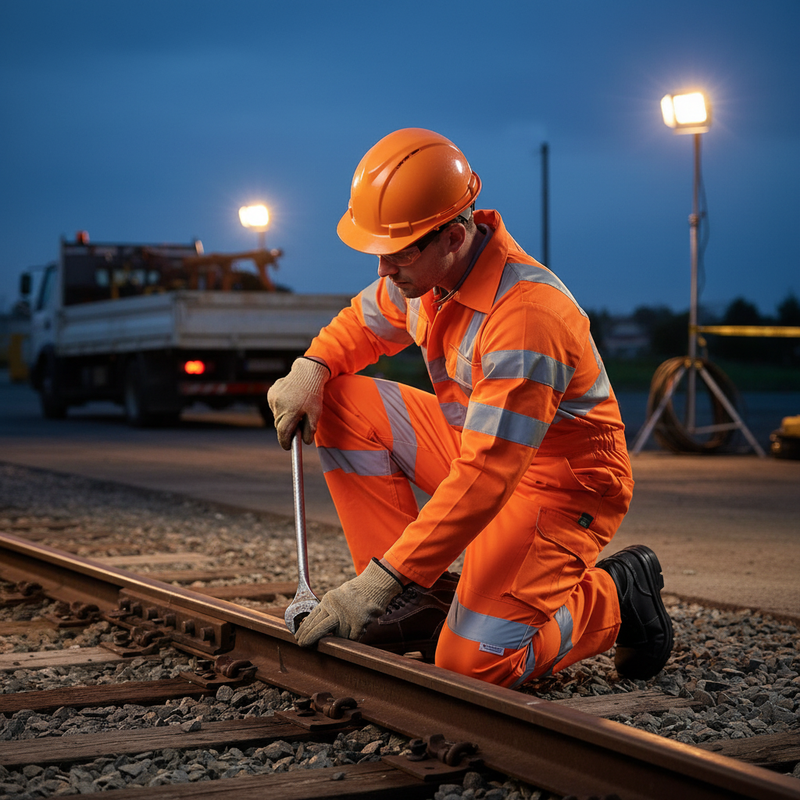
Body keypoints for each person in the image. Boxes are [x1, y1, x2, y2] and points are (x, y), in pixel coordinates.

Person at [267, 128, 673, 688]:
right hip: (481, 453)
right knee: (338, 399)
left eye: (397, 253)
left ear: (454, 236)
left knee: (474, 666)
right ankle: (419, 602)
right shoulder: (427, 278)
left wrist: (381, 581)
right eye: (380, 253)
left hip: (558, 488)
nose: (384, 270)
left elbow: (486, 477)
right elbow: (363, 321)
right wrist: (311, 367)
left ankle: (617, 598)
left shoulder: (527, 316)